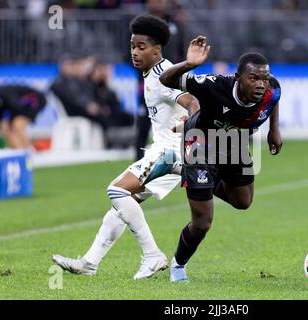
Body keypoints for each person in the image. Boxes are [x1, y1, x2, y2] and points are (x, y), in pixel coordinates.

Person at [52, 15, 200, 280]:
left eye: (141, 46)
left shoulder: (163, 78)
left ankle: (153, 255)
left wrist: (190, 118)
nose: (135, 51)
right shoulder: (155, 72)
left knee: (116, 190)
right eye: (132, 45)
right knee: (123, 204)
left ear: (157, 49)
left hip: (170, 152)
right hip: (172, 150)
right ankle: (90, 262)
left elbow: (192, 102)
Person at [159, 36, 283, 282]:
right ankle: (178, 265)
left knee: (243, 202)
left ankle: (190, 174)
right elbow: (166, 80)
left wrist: (274, 130)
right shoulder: (214, 86)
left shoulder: (272, 89)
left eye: (264, 78)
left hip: (233, 143)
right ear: (238, 78)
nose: (261, 84)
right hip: (201, 144)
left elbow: (275, 98)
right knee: (203, 222)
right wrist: (189, 63)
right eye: (254, 78)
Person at [0, 85, 46, 149]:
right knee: (4, 126)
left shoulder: (1, 93)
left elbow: (17, 107)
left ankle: (29, 150)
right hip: (22, 107)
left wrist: (10, 121)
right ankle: (16, 151)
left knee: (17, 124)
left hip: (36, 100)